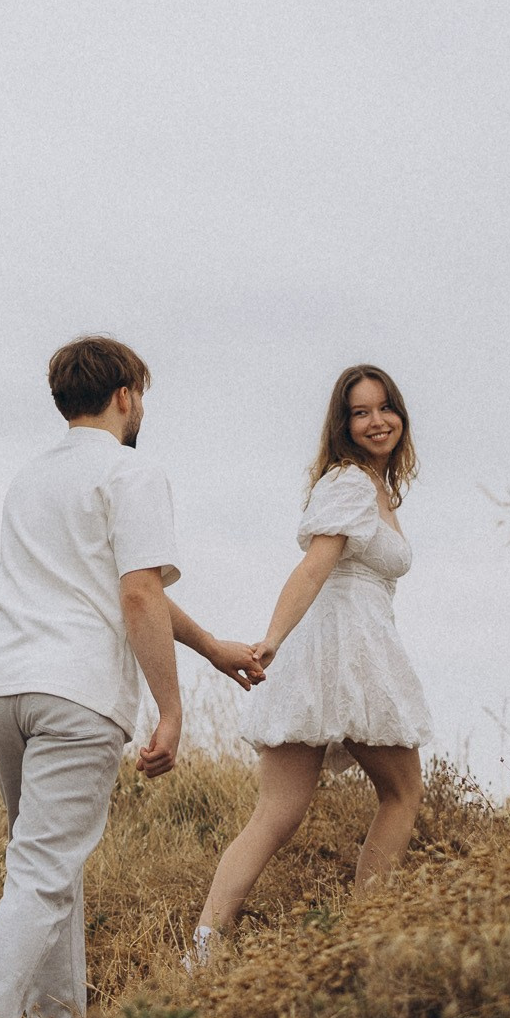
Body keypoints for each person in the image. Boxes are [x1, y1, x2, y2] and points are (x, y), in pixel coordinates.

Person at [0, 334, 264, 1018]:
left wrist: (212, 647)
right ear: (127, 396)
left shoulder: (29, 479)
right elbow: (136, 593)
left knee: (46, 869)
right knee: (41, 873)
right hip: (77, 693)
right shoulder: (134, 471)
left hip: (0, 689)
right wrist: (171, 707)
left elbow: (133, 590)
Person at [188, 365, 429, 963]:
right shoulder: (351, 483)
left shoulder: (367, 485)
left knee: (277, 811)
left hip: (326, 644)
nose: (376, 421)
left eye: (383, 408)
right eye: (360, 412)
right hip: (348, 646)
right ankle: (364, 939)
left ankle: (204, 951)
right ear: (343, 424)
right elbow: (316, 568)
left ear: (399, 412)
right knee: (402, 793)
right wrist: (271, 638)